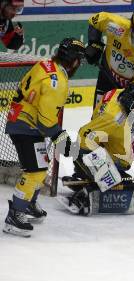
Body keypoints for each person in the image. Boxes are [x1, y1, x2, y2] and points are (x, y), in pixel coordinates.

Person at [3, 38, 85, 237]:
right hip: (25, 125)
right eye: (79, 60)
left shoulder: (46, 65)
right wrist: (60, 137)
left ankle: (29, 204)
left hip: (24, 122)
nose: (80, 64)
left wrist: (59, 138)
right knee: (35, 171)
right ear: (73, 61)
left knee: (42, 165)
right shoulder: (57, 82)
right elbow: (46, 120)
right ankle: (15, 215)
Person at [59, 82, 134, 216]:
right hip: (112, 151)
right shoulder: (113, 118)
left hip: (114, 145)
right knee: (88, 152)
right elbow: (83, 136)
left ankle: (87, 173)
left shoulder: (119, 93)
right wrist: (102, 169)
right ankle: (90, 177)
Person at [85, 10, 134, 178]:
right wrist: (94, 43)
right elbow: (94, 20)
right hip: (106, 78)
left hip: (130, 87)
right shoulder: (116, 25)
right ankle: (94, 165)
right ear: (130, 28)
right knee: (99, 122)